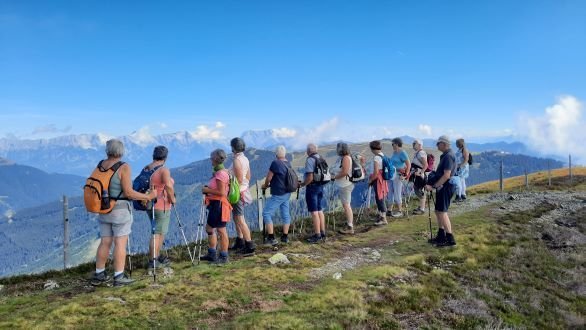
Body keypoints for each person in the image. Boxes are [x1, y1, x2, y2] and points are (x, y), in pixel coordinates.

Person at [91, 139, 157, 287]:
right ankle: (118, 276)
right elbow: (128, 192)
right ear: (121, 151)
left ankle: (99, 273)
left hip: (103, 208)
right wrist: (148, 196)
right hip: (120, 210)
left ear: (107, 150)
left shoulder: (101, 165)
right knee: (120, 243)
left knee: (105, 241)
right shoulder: (123, 167)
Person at [146, 146, 176, 272]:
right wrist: (173, 199)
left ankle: (156, 257)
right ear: (165, 157)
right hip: (161, 205)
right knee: (157, 233)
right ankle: (153, 260)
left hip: (149, 204)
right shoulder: (163, 170)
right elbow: (168, 186)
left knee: (158, 232)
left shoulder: (147, 168)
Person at [200, 149, 232, 264]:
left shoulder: (221, 174)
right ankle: (212, 253)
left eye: (211, 157)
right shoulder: (220, 171)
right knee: (209, 228)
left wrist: (206, 190)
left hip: (219, 205)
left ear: (215, 159)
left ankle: (223, 256)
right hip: (215, 205)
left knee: (221, 231)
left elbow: (222, 192)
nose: (210, 159)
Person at [425, 135, 457, 247]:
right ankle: (441, 236)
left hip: (445, 187)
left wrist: (433, 186)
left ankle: (450, 239)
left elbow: (447, 175)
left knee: (442, 212)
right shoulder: (447, 155)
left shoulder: (448, 156)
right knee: (438, 211)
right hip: (443, 187)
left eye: (438, 143)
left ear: (444, 144)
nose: (437, 145)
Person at [228, 138, 256, 256]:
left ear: (233, 148)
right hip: (243, 190)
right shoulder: (245, 158)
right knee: (236, 217)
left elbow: (238, 179)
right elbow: (248, 176)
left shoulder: (236, 160)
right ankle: (240, 241)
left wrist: (229, 184)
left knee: (240, 218)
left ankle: (249, 245)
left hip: (237, 192)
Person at [261, 145, 294, 245]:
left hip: (278, 193)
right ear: (284, 154)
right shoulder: (288, 163)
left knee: (266, 213)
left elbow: (269, 177)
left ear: (276, 154)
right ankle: (285, 237)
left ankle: (271, 238)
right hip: (287, 192)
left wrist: (265, 186)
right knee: (285, 214)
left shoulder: (275, 163)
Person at [300, 143, 327, 243]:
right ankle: (322, 232)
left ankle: (317, 235)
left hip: (312, 187)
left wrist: (303, 184)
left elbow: (310, 177)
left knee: (314, 212)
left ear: (308, 151)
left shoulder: (310, 160)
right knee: (320, 210)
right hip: (321, 186)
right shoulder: (321, 157)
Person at [334, 143, 355, 235]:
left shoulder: (346, 158)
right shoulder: (346, 157)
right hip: (345, 184)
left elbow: (345, 172)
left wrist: (334, 177)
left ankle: (350, 227)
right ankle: (349, 224)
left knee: (346, 206)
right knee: (346, 205)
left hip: (345, 184)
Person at [387, 138, 411, 218]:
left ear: (397, 144)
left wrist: (405, 175)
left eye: (392, 144)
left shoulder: (402, 153)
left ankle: (400, 211)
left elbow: (408, 164)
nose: (392, 146)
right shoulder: (394, 152)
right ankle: (389, 210)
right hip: (392, 174)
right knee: (390, 192)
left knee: (397, 192)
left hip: (398, 175)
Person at [368, 140, 389, 225]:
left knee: (379, 198)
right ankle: (381, 215)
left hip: (378, 179)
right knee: (381, 196)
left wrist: (371, 180)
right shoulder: (383, 155)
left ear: (373, 149)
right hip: (383, 178)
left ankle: (383, 218)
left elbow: (376, 172)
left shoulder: (376, 157)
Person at [410, 139, 428, 215]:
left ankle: (422, 209)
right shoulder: (418, 153)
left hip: (420, 175)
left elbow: (426, 165)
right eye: (413, 143)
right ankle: (421, 207)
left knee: (420, 191)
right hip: (417, 174)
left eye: (415, 143)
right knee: (417, 189)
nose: (413, 144)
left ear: (419, 145)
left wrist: (421, 172)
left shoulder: (421, 153)